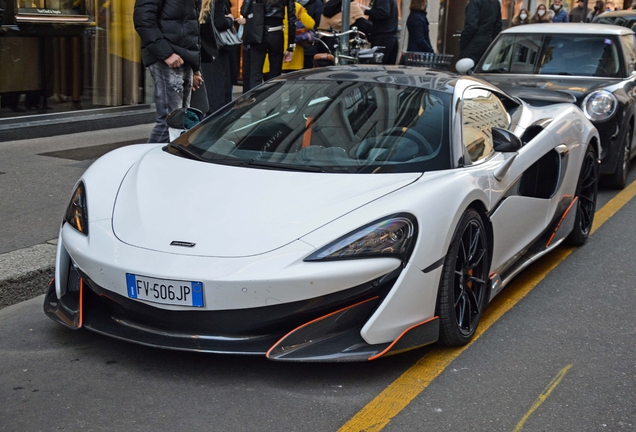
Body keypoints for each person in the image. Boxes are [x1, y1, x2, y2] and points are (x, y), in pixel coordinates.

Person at [134, 0, 203, 143]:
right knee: (170, 121)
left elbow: (192, 26)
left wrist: (195, 68)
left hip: (184, 57)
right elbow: (143, 19)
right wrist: (165, 53)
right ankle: (148, 162)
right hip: (166, 57)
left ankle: (169, 161)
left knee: (182, 121)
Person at [240, 0, 296, 91]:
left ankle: (254, 102)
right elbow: (292, 19)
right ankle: (273, 103)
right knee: (275, 75)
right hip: (276, 32)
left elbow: (244, 11)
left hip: (258, 32)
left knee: (255, 74)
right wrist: (290, 46)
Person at [199, 0, 234, 114]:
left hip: (202, 48)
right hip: (217, 49)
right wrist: (230, 19)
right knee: (220, 90)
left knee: (208, 89)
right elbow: (220, 22)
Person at [459, 0, 502, 64]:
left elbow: (471, 26)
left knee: (465, 65)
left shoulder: (475, 2)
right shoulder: (496, 3)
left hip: (475, 40)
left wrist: (463, 41)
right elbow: (498, 26)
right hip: (488, 40)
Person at [282, 3, 316, 73]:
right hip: (293, 54)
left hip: (269, 53)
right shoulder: (296, 6)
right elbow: (310, 24)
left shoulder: (265, 3)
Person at [363, 0, 400, 64]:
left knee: (377, 68)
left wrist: (366, 11)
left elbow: (383, 12)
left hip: (382, 37)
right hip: (391, 36)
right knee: (388, 68)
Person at [300, 0, 323, 69]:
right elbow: (317, 23)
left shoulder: (292, 4)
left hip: (295, 44)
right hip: (310, 43)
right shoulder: (317, 3)